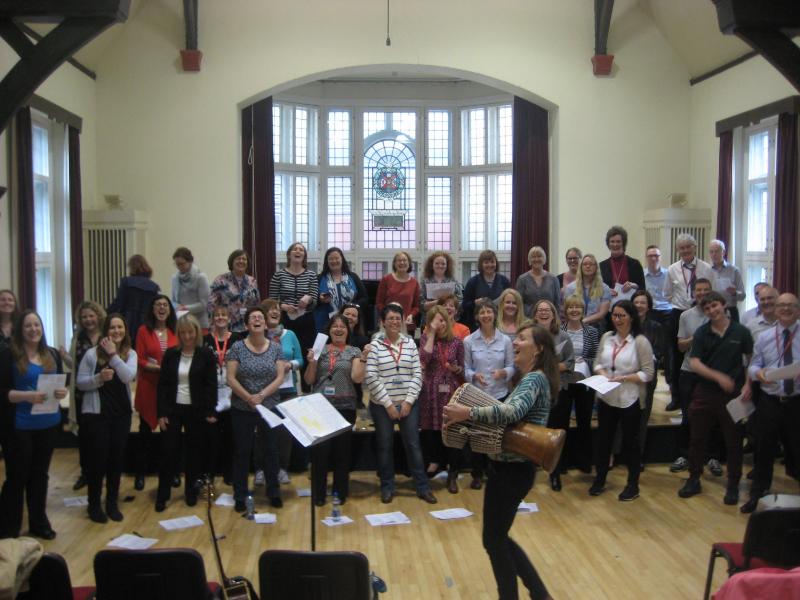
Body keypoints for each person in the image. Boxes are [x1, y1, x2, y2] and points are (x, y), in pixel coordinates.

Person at [443, 323, 558, 600]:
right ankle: (539, 595)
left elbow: (511, 412)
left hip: (512, 470)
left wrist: (467, 413)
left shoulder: (533, 379)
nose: (514, 342)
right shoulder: (533, 378)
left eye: (521, 338)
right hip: (512, 469)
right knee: (496, 538)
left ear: (539, 348)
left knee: (493, 540)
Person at [678, 291, 753, 505]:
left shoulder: (741, 332)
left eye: (715, 306)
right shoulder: (701, 333)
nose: (712, 311)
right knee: (697, 438)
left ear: (724, 306)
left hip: (733, 395)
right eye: (707, 308)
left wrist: (748, 384)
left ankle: (733, 485)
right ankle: (694, 479)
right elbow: (695, 363)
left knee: (734, 441)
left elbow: (750, 359)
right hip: (705, 392)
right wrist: (718, 377)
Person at [0, 310, 68, 539]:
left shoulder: (51, 355)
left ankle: (39, 523)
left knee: (40, 476)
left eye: (37, 325)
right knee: (17, 477)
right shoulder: (8, 354)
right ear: (20, 329)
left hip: (48, 423)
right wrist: (26, 396)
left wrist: (61, 392)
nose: (33, 329)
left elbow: (58, 385)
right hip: (19, 426)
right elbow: (2, 393)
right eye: (28, 326)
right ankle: (9, 527)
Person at [365, 304, 437, 504]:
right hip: (382, 406)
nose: (395, 322)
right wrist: (388, 404)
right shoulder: (375, 345)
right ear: (382, 322)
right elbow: (371, 377)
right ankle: (387, 486)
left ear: (403, 320)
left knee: (413, 445)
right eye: (390, 319)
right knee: (385, 446)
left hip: (408, 404)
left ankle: (422, 487)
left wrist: (408, 402)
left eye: (398, 318)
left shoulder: (410, 343)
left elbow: (417, 375)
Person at [226, 307, 290, 511]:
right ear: (246, 325)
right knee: (242, 451)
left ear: (265, 324)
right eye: (252, 317)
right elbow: (230, 378)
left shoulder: (275, 348)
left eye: (260, 317)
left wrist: (261, 396)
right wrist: (249, 398)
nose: (257, 319)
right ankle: (240, 494)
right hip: (241, 407)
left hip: (269, 406)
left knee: (271, 450)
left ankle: (273, 491)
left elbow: (280, 377)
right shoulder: (236, 347)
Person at [740, 293, 800, 513]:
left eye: (791, 306)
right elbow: (753, 366)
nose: (785, 309)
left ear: (798, 310)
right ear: (775, 309)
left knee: (796, 447)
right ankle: (758, 494)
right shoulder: (765, 337)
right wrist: (759, 373)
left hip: (796, 402)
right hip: (770, 399)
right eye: (781, 305)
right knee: (764, 449)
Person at [589, 300, 654, 501]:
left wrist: (624, 378)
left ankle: (632, 484)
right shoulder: (607, 337)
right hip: (607, 396)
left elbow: (648, 374)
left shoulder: (640, 341)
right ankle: (600, 478)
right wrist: (603, 373)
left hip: (630, 398)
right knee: (603, 440)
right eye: (615, 315)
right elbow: (597, 363)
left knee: (630, 442)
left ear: (631, 317)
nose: (617, 319)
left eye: (622, 315)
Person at [76, 313, 137, 523]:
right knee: (97, 462)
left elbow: (128, 376)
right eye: (112, 328)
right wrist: (98, 378)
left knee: (116, 461)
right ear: (106, 331)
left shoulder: (130, 354)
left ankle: (112, 503)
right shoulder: (92, 355)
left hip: (121, 416)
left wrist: (113, 356)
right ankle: (94, 505)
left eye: (120, 327)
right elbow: (80, 382)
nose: (117, 331)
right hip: (97, 417)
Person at [155, 314, 217, 512]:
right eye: (183, 333)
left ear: (197, 332)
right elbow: (163, 386)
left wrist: (210, 409)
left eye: (190, 332)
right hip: (173, 409)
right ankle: (163, 494)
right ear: (178, 334)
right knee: (167, 452)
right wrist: (161, 413)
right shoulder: (171, 354)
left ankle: (191, 491)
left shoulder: (205, 354)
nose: (187, 336)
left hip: (196, 410)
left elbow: (210, 385)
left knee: (194, 453)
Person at [304, 315, 366, 505]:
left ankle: (340, 493)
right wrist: (312, 362)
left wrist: (364, 359)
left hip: (345, 406)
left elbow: (357, 378)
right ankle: (319, 495)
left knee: (342, 452)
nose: (338, 329)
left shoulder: (354, 351)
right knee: (320, 453)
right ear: (329, 330)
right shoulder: (319, 349)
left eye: (342, 327)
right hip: (321, 406)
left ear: (348, 331)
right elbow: (308, 380)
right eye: (335, 326)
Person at [463, 300, 515, 490]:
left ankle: (494, 472)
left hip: (499, 393)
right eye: (482, 312)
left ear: (495, 314)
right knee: (477, 435)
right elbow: (466, 369)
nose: (486, 315)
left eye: (489, 312)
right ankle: (477, 473)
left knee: (496, 435)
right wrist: (473, 375)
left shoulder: (505, 340)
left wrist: (504, 373)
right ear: (477, 317)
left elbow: (512, 366)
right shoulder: (469, 340)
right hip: (478, 394)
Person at [663, 233, 713, 411]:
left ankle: (703, 393)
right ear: (678, 250)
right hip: (679, 313)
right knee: (676, 358)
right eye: (681, 248)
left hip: (703, 312)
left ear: (695, 247)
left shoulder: (706, 268)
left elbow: (711, 290)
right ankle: (676, 396)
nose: (685, 250)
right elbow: (667, 293)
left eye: (688, 247)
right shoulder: (672, 269)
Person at [134, 294, 178, 491]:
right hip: (149, 386)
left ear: (169, 310)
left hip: (169, 389)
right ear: (152, 309)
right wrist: (159, 368)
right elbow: (140, 359)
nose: (161, 308)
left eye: (165, 305)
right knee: (144, 434)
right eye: (158, 305)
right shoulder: (143, 331)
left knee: (168, 435)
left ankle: (171, 472)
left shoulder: (175, 331)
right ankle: (140, 473)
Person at [419, 305, 465, 493]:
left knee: (452, 431)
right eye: (437, 320)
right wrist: (430, 334)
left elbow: (462, 369)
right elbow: (424, 358)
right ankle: (435, 462)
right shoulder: (424, 339)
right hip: (430, 392)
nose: (441, 324)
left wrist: (456, 369)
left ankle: (453, 472)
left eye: (443, 319)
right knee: (432, 431)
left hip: (450, 391)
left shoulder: (457, 342)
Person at [669, 278, 712, 475]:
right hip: (689, 372)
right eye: (699, 290)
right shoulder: (686, 316)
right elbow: (680, 346)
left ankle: (711, 457)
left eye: (706, 290)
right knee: (688, 415)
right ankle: (684, 455)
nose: (702, 293)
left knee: (712, 417)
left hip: (711, 373)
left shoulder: (719, 314)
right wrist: (698, 337)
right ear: (694, 293)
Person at [532, 299, 575, 491]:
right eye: (540, 310)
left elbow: (570, 363)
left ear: (553, 313)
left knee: (557, 432)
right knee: (536, 431)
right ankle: (533, 467)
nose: (543, 312)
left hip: (558, 391)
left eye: (547, 309)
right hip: (535, 392)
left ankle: (555, 472)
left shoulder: (563, 336)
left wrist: (547, 367)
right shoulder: (530, 335)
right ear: (535, 314)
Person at [64, 301, 107, 492]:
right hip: (82, 393)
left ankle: (102, 472)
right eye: (84, 317)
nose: (88, 320)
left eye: (91, 315)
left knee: (102, 436)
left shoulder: (106, 336)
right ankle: (86, 473)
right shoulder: (78, 338)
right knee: (84, 437)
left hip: (104, 392)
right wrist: (65, 357)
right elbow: (75, 365)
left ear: (98, 316)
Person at [203, 305, 245, 486]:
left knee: (232, 438)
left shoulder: (237, 339)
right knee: (210, 440)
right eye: (217, 315)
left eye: (223, 315)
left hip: (231, 394)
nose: (220, 317)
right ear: (212, 319)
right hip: (212, 395)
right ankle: (209, 474)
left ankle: (230, 474)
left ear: (229, 319)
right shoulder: (205, 340)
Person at [264, 298, 304, 484]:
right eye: (270, 309)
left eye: (277, 309)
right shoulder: (259, 335)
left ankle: (282, 468)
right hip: (265, 389)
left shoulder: (290, 334)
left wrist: (290, 364)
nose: (275, 312)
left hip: (288, 388)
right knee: (264, 429)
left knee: (285, 432)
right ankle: (261, 468)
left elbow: (300, 360)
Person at [560, 296, 600, 475]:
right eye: (571, 308)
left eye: (577, 307)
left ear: (583, 311)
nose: (574, 310)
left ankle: (584, 461)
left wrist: (585, 361)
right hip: (564, 382)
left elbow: (596, 357)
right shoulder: (559, 331)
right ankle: (562, 462)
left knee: (584, 423)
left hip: (585, 382)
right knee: (562, 424)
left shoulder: (592, 332)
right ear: (566, 311)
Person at [627, 290, 665, 462]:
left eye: (643, 302)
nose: (639, 305)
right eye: (636, 302)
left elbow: (659, 352)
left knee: (643, 417)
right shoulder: (624, 323)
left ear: (648, 306)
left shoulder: (656, 327)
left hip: (646, 375)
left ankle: (638, 455)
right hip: (626, 375)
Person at [269, 242, 319, 355]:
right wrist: (283, 306)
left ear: (304, 256)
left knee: (306, 352)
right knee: (284, 352)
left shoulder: (311, 275)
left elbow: (315, 301)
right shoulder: (278, 275)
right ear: (289, 255)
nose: (298, 251)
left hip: (306, 320)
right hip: (285, 319)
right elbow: (271, 301)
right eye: (295, 249)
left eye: (301, 250)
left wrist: (308, 299)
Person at [107, 254, 160, 346]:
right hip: (146, 323)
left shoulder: (127, 282)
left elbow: (118, 303)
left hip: (128, 321)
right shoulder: (154, 287)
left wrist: (105, 313)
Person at [313, 247, 368, 333]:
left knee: (350, 345)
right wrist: (320, 300)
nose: (334, 261)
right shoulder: (319, 278)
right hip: (324, 322)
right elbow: (312, 300)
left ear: (342, 259)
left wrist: (352, 307)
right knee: (325, 346)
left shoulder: (353, 277)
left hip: (350, 322)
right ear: (327, 262)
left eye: (337, 258)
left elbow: (364, 298)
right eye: (331, 259)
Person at [208, 249, 261, 333]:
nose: (241, 261)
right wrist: (213, 325)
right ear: (231, 262)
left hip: (248, 328)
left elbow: (256, 304)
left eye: (244, 259)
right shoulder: (221, 280)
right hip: (226, 327)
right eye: (238, 259)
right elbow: (211, 305)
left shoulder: (252, 281)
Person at [643, 245, 674, 386]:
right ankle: (650, 380)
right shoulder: (641, 275)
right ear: (646, 258)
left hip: (667, 312)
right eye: (650, 256)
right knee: (650, 348)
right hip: (650, 313)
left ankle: (670, 383)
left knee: (669, 349)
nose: (654, 258)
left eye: (656, 255)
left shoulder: (669, 274)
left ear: (660, 257)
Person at [462, 250, 511, 331]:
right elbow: (464, 305)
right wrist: (475, 303)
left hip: (500, 324)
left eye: (492, 262)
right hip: (478, 325)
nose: (490, 265)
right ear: (481, 264)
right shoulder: (473, 282)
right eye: (486, 262)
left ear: (496, 263)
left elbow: (510, 300)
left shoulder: (504, 281)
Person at [375, 251, 420, 335]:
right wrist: (387, 316)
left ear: (409, 263)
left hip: (407, 324)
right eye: (399, 260)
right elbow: (379, 303)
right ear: (394, 264)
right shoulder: (386, 279)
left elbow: (416, 306)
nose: (402, 262)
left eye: (404, 260)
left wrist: (411, 315)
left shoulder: (414, 283)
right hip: (388, 324)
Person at [563, 254, 612, 332]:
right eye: (585, 264)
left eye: (591, 264)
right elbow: (566, 310)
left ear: (596, 267)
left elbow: (602, 313)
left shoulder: (605, 288)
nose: (588, 266)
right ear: (581, 267)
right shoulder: (570, 288)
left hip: (597, 327)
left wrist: (583, 322)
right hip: (574, 327)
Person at [599, 226, 645, 304]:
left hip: (631, 307)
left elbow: (643, 289)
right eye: (612, 241)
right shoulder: (601, 266)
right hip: (609, 308)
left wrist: (633, 285)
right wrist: (606, 291)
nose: (615, 244)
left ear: (623, 243)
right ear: (608, 244)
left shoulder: (635, 264)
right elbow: (597, 290)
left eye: (618, 241)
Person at [171, 247, 211, 331]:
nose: (179, 267)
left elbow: (204, 304)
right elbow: (174, 300)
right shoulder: (175, 278)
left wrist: (185, 308)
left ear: (190, 262)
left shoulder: (201, 277)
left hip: (199, 323)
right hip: (182, 322)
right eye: (177, 264)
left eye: (182, 264)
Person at [516, 246, 561, 318]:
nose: (536, 259)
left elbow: (557, 303)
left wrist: (556, 320)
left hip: (549, 320)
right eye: (533, 257)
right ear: (529, 260)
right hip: (528, 320)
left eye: (539, 256)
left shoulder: (553, 279)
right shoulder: (522, 279)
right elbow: (519, 303)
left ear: (544, 259)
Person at [708, 239, 745, 322]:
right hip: (712, 310)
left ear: (723, 252)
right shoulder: (706, 270)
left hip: (730, 310)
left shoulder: (734, 270)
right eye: (711, 252)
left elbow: (742, 295)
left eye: (716, 251)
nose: (714, 254)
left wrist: (735, 293)